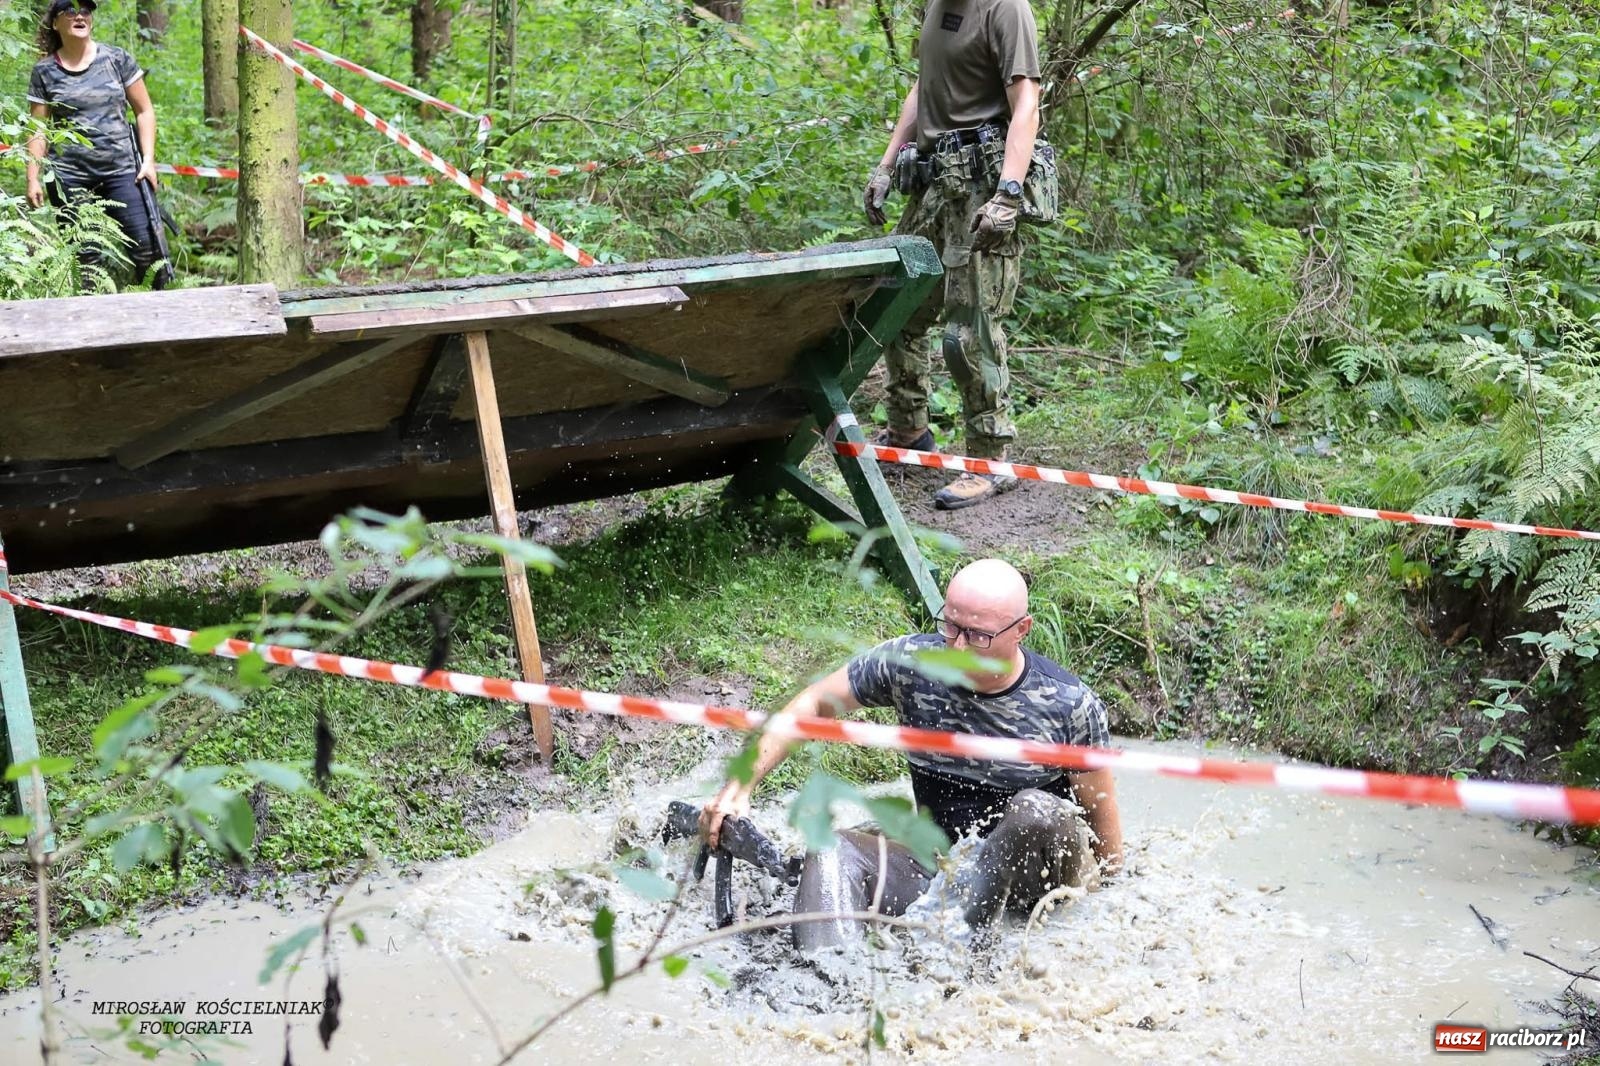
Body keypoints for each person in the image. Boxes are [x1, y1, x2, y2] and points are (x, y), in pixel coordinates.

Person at [702, 558, 1123, 952]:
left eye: (978, 636)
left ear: (1021, 630)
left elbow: (1105, 834)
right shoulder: (910, 664)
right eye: (951, 626)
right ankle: (828, 980)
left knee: (1035, 809)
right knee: (832, 848)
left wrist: (1109, 914)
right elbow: (813, 703)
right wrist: (738, 788)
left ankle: (969, 949)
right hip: (942, 870)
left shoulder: (1068, 704)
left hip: (1035, 878)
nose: (958, 646)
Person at [863, 0, 1047, 510]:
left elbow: (1026, 103)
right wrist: (886, 165)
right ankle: (909, 432)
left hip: (982, 190)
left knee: (968, 333)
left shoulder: (1005, 10)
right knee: (895, 306)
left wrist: (1008, 194)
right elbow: (923, 88)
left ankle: (989, 460)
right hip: (933, 187)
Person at [24, 0, 170, 289]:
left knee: (149, 251)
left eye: (85, 10)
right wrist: (33, 178)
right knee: (86, 261)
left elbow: (144, 111)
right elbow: (38, 128)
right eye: (70, 10)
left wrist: (148, 161)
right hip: (69, 177)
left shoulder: (117, 59)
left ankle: (162, 310)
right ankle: (92, 315)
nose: (79, 16)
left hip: (123, 171)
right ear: (55, 23)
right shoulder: (44, 72)